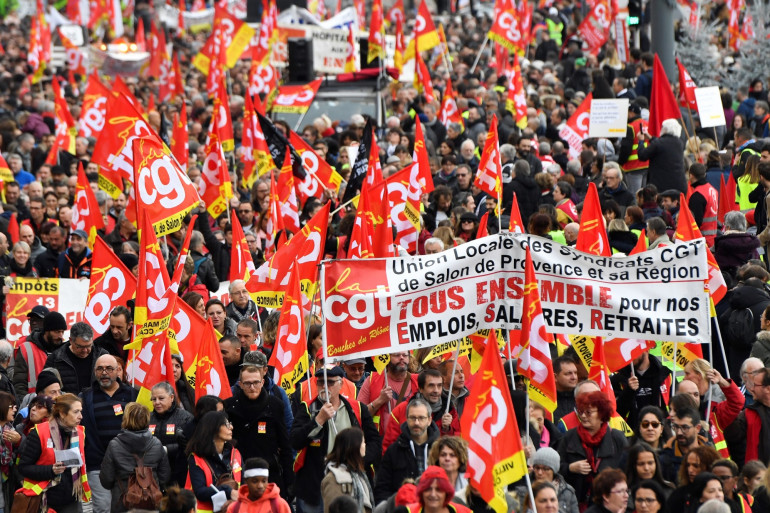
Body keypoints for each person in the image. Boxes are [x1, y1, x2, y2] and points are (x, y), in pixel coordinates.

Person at [292, 366, 380, 513]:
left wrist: (359, 461)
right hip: (315, 483)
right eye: (320, 382)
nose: (325, 387)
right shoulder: (307, 408)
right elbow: (295, 441)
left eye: (330, 383)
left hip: (351, 480)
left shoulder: (357, 408)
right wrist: (318, 421)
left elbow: (375, 442)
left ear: (341, 384)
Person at [224, 355, 293, 500]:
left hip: (269, 473)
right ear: (240, 384)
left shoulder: (275, 405)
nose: (252, 387)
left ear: (262, 382)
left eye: (256, 382)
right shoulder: (230, 406)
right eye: (247, 383)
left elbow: (285, 445)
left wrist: (290, 482)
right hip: (241, 474)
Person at [80, 354, 138, 513]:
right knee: (103, 508)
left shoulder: (133, 394)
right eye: (100, 369)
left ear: (118, 370)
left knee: (127, 506)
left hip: (127, 463)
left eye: (109, 368)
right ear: (94, 371)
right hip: (97, 463)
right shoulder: (85, 397)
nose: (104, 373)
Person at [16, 393, 91, 513]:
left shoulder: (80, 433)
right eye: (76, 412)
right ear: (62, 413)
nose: (81, 416)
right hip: (45, 500)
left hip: (71, 499)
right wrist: (51, 470)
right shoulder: (39, 433)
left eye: (81, 411)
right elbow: (24, 468)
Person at [557, 391, 628, 507]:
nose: (583, 416)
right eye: (581, 411)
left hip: (608, 503)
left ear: (601, 414)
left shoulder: (617, 438)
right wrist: (570, 468)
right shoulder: (569, 436)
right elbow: (555, 468)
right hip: (575, 503)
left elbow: (628, 471)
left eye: (588, 412)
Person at [100, 402, 171, 512]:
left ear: (126, 419)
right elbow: (164, 477)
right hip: (151, 502)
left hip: (123, 501)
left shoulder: (114, 445)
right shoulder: (157, 444)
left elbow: (106, 480)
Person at [375, 397, 440, 504]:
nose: (417, 423)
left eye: (421, 418)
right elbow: (382, 488)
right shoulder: (394, 451)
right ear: (406, 419)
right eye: (412, 418)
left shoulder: (440, 450)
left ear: (429, 420)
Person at [382, 369, 460, 453]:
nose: (436, 390)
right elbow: (389, 447)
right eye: (431, 386)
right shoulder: (401, 410)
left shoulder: (449, 410)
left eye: (439, 386)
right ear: (421, 388)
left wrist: (447, 430)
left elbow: (456, 445)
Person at [186, 411, 243, 513]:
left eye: (230, 423)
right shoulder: (196, 458)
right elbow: (200, 492)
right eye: (226, 424)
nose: (231, 427)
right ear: (213, 428)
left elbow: (244, 484)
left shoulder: (235, 453)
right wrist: (227, 491)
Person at [358, 351, 418, 436]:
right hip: (380, 442)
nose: (401, 358)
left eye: (405, 355)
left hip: (411, 440)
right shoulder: (372, 380)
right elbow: (359, 415)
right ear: (387, 358)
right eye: (397, 355)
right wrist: (380, 400)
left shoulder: (418, 381)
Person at [320, 427, 376, 513]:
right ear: (355, 446)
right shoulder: (333, 479)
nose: (365, 445)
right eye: (363, 442)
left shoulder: (360, 475)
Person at [13, 311, 67, 397]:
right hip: (34, 405)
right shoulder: (26, 349)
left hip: (59, 405)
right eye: (57, 332)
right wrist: (27, 406)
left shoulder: (64, 351)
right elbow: (19, 384)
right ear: (46, 331)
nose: (61, 336)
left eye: (62, 332)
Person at [44, 322, 107, 394]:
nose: (85, 350)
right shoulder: (55, 359)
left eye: (89, 346)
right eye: (80, 347)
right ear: (71, 340)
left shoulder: (102, 355)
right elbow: (46, 387)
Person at [150, 381, 194, 485]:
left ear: (172, 398)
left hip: (178, 473)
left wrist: (167, 449)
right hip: (154, 474)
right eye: (154, 399)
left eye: (161, 398)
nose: (157, 402)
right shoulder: (147, 418)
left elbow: (190, 445)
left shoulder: (185, 417)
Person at [637, 119, 688, 194]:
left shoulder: (658, 143)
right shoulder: (679, 142)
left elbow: (642, 156)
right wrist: (651, 138)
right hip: (678, 184)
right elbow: (663, 146)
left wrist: (641, 141)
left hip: (661, 185)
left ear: (665, 129)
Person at [522, 447, 579, 513]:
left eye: (545, 469)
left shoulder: (568, 491)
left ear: (554, 471)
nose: (540, 472)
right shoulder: (524, 490)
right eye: (537, 468)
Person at [226, 457, 292, 513]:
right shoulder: (234, 508)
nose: (260, 486)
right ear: (246, 481)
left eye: (264, 481)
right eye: (255, 481)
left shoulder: (279, 505)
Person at [403, 466, 471, 513]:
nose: (433, 494)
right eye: (428, 489)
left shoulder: (464, 512)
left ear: (446, 493)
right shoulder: (407, 511)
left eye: (439, 490)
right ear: (421, 491)